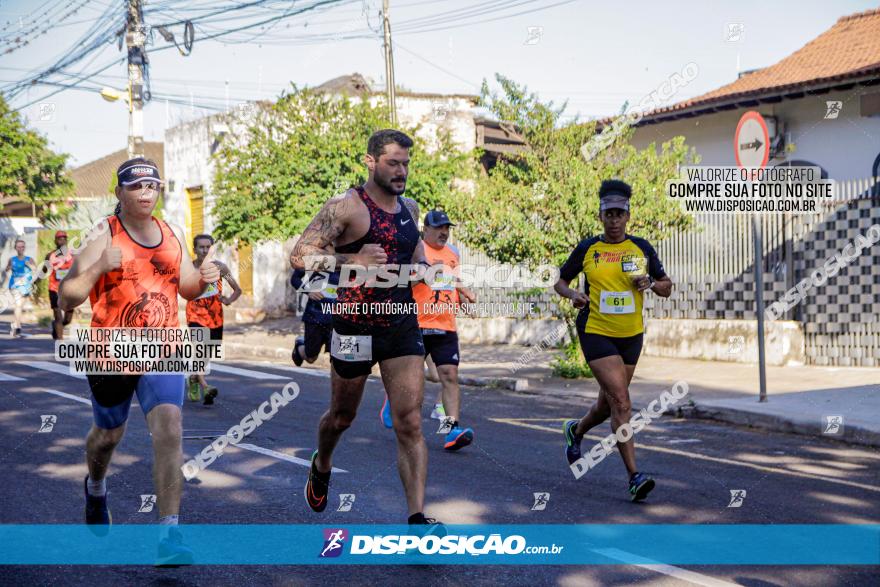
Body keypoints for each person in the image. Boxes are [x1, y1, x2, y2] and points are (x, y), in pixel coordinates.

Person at [60, 157, 220, 566]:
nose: (146, 192)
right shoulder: (103, 234)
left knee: (170, 428)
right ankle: (95, 485)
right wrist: (99, 265)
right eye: (136, 186)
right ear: (120, 193)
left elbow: (185, 288)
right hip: (110, 350)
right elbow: (67, 295)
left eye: (152, 185)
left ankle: (170, 533)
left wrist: (203, 276)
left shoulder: (172, 232)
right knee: (108, 435)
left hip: (163, 349)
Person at [290, 129, 441, 531]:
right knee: (342, 417)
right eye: (393, 162)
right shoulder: (345, 208)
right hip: (354, 324)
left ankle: (416, 519)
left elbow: (415, 253)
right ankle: (322, 463)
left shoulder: (410, 207)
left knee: (409, 420)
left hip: (400, 323)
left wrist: (430, 272)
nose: (402, 170)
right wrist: (352, 257)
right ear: (370, 161)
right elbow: (300, 255)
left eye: (406, 163)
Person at [553, 179, 672, 502]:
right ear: (601, 216)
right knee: (622, 401)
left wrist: (651, 283)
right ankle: (635, 476)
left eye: (620, 214)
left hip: (631, 335)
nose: (615, 220)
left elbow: (666, 285)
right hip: (596, 330)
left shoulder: (641, 248)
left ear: (628, 216)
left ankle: (576, 430)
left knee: (608, 405)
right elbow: (560, 282)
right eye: (610, 214)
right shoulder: (589, 249)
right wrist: (574, 294)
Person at [382, 209, 477, 451]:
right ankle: (391, 401)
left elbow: (451, 282)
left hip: (445, 324)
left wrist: (463, 301)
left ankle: (450, 430)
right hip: (416, 324)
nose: (444, 232)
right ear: (426, 229)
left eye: (447, 228)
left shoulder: (453, 253)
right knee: (412, 381)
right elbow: (401, 282)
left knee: (449, 376)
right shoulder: (416, 250)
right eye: (439, 227)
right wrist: (421, 277)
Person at [185, 233, 241, 404]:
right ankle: (205, 387)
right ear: (194, 249)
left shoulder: (220, 268)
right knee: (200, 351)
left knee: (207, 354)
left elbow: (237, 289)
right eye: (201, 247)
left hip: (215, 317)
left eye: (207, 247)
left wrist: (228, 300)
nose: (204, 250)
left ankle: (193, 378)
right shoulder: (188, 268)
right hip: (195, 316)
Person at [290, 267, 339, 366]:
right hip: (316, 315)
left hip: (339, 317)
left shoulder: (352, 255)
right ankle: (300, 346)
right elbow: (295, 279)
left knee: (338, 358)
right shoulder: (315, 255)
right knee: (311, 357)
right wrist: (308, 291)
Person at [3, 238, 36, 337]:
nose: (21, 248)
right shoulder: (12, 259)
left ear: (24, 248)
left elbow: (35, 270)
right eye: (19, 247)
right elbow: (6, 269)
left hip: (25, 285)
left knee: (20, 306)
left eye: (22, 246)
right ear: (15, 248)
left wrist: (29, 265)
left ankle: (15, 324)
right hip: (15, 285)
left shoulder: (29, 259)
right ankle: (18, 326)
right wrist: (9, 267)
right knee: (18, 304)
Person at [46, 231, 75, 340]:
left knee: (67, 319)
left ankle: (56, 327)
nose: (62, 240)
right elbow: (43, 271)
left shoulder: (72, 255)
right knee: (58, 316)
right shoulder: (50, 256)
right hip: (54, 289)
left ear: (66, 240)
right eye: (59, 238)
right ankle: (60, 341)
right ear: (55, 241)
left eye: (64, 238)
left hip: (69, 290)